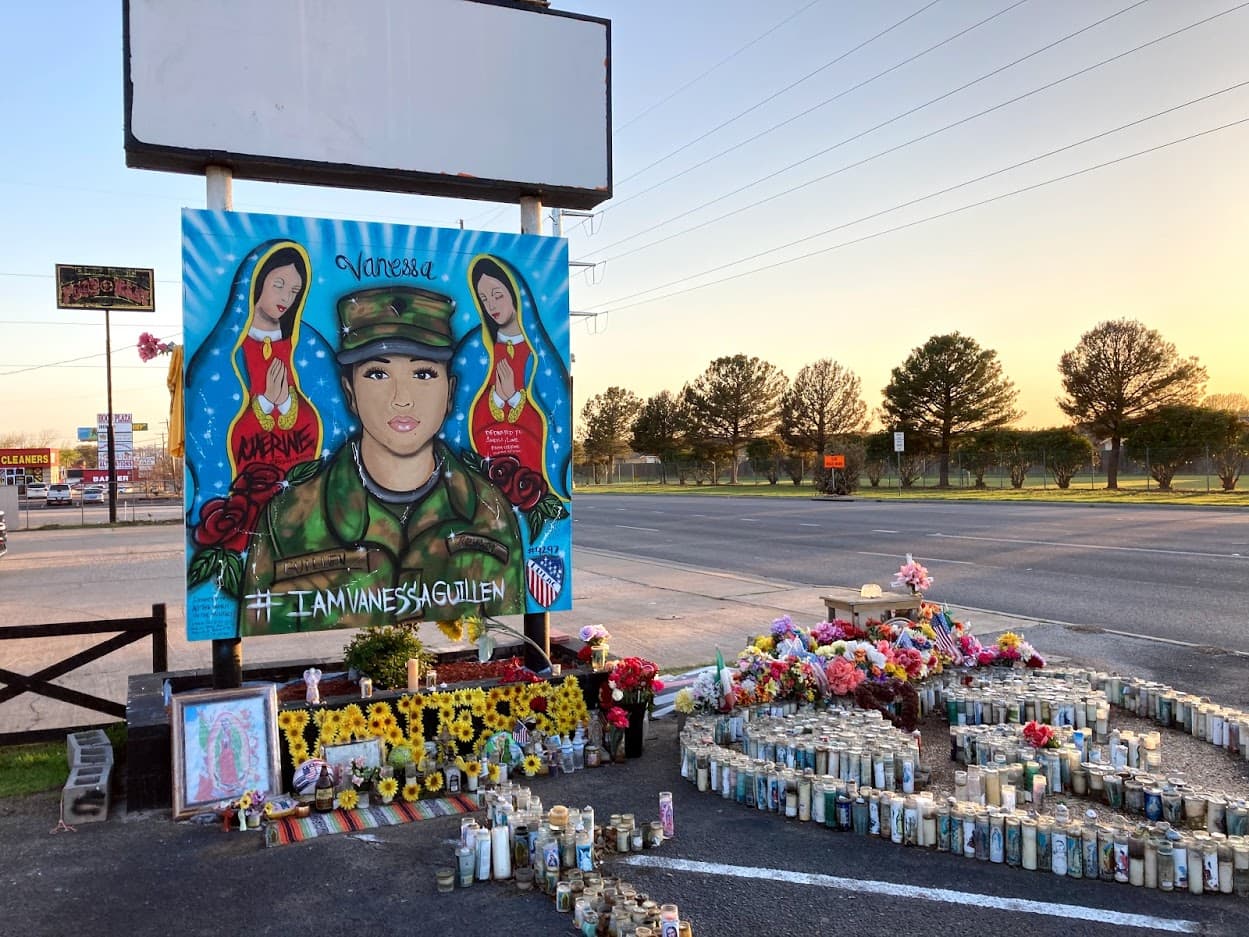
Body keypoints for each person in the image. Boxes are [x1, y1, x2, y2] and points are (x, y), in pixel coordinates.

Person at [238, 286, 524, 635]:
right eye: (377, 373)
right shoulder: (291, 518)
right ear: (350, 393)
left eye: (423, 374)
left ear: (449, 393)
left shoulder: (487, 511)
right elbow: (261, 621)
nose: (401, 399)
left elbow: (504, 617)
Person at [225, 243, 323, 479]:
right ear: (257, 282)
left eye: (294, 291)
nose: (286, 297)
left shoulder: (303, 346)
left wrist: (287, 403)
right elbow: (222, 418)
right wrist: (267, 403)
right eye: (278, 285)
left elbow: (323, 412)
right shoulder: (231, 347)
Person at [467, 256, 552, 483]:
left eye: (497, 295)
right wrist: (497, 397)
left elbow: (549, 414)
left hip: (530, 466)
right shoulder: (483, 352)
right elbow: (470, 413)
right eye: (484, 299)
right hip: (491, 462)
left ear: (515, 294)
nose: (492, 305)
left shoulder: (539, 354)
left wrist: (513, 397)